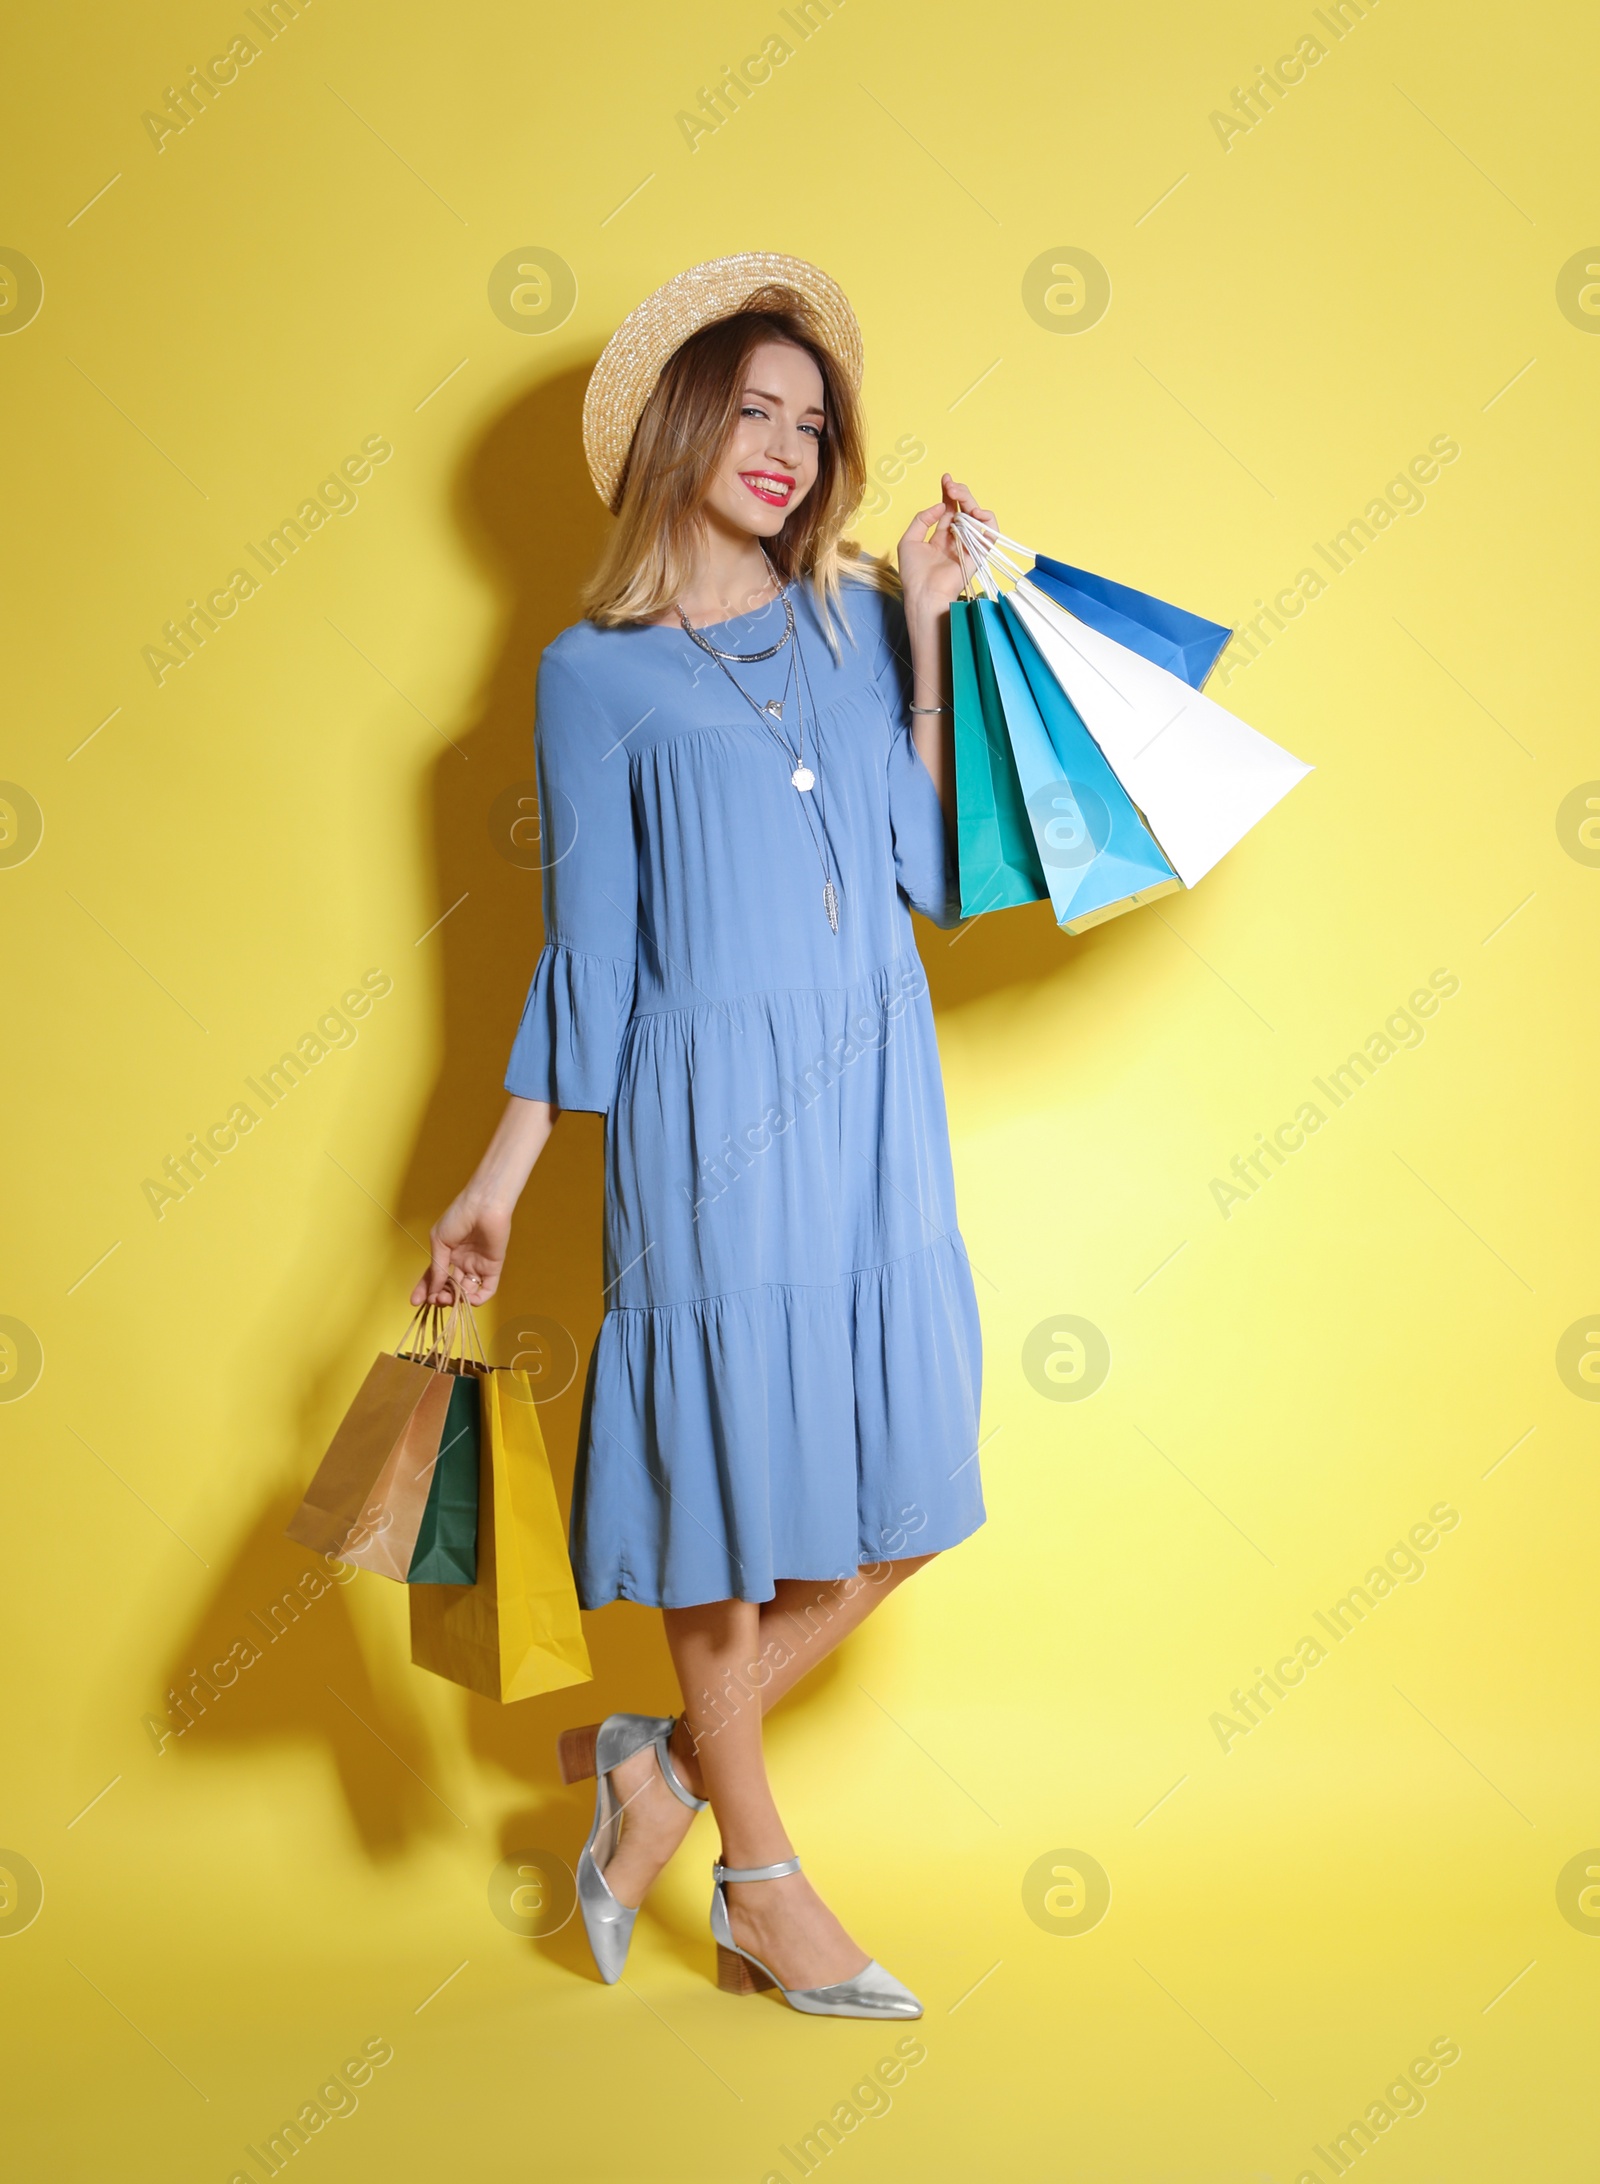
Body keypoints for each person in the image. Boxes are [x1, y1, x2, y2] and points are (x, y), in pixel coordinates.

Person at [414, 254, 993, 2019]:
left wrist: (933, 632)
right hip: (706, 1122)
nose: (789, 451)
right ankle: (760, 1882)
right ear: (679, 422)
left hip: (879, 1090)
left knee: (912, 1491)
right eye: (753, 409)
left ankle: (652, 1770)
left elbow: (928, 872)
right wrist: (497, 1183)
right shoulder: (591, 679)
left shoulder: (851, 606)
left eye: (814, 426)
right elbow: (590, 957)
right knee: (731, 1516)